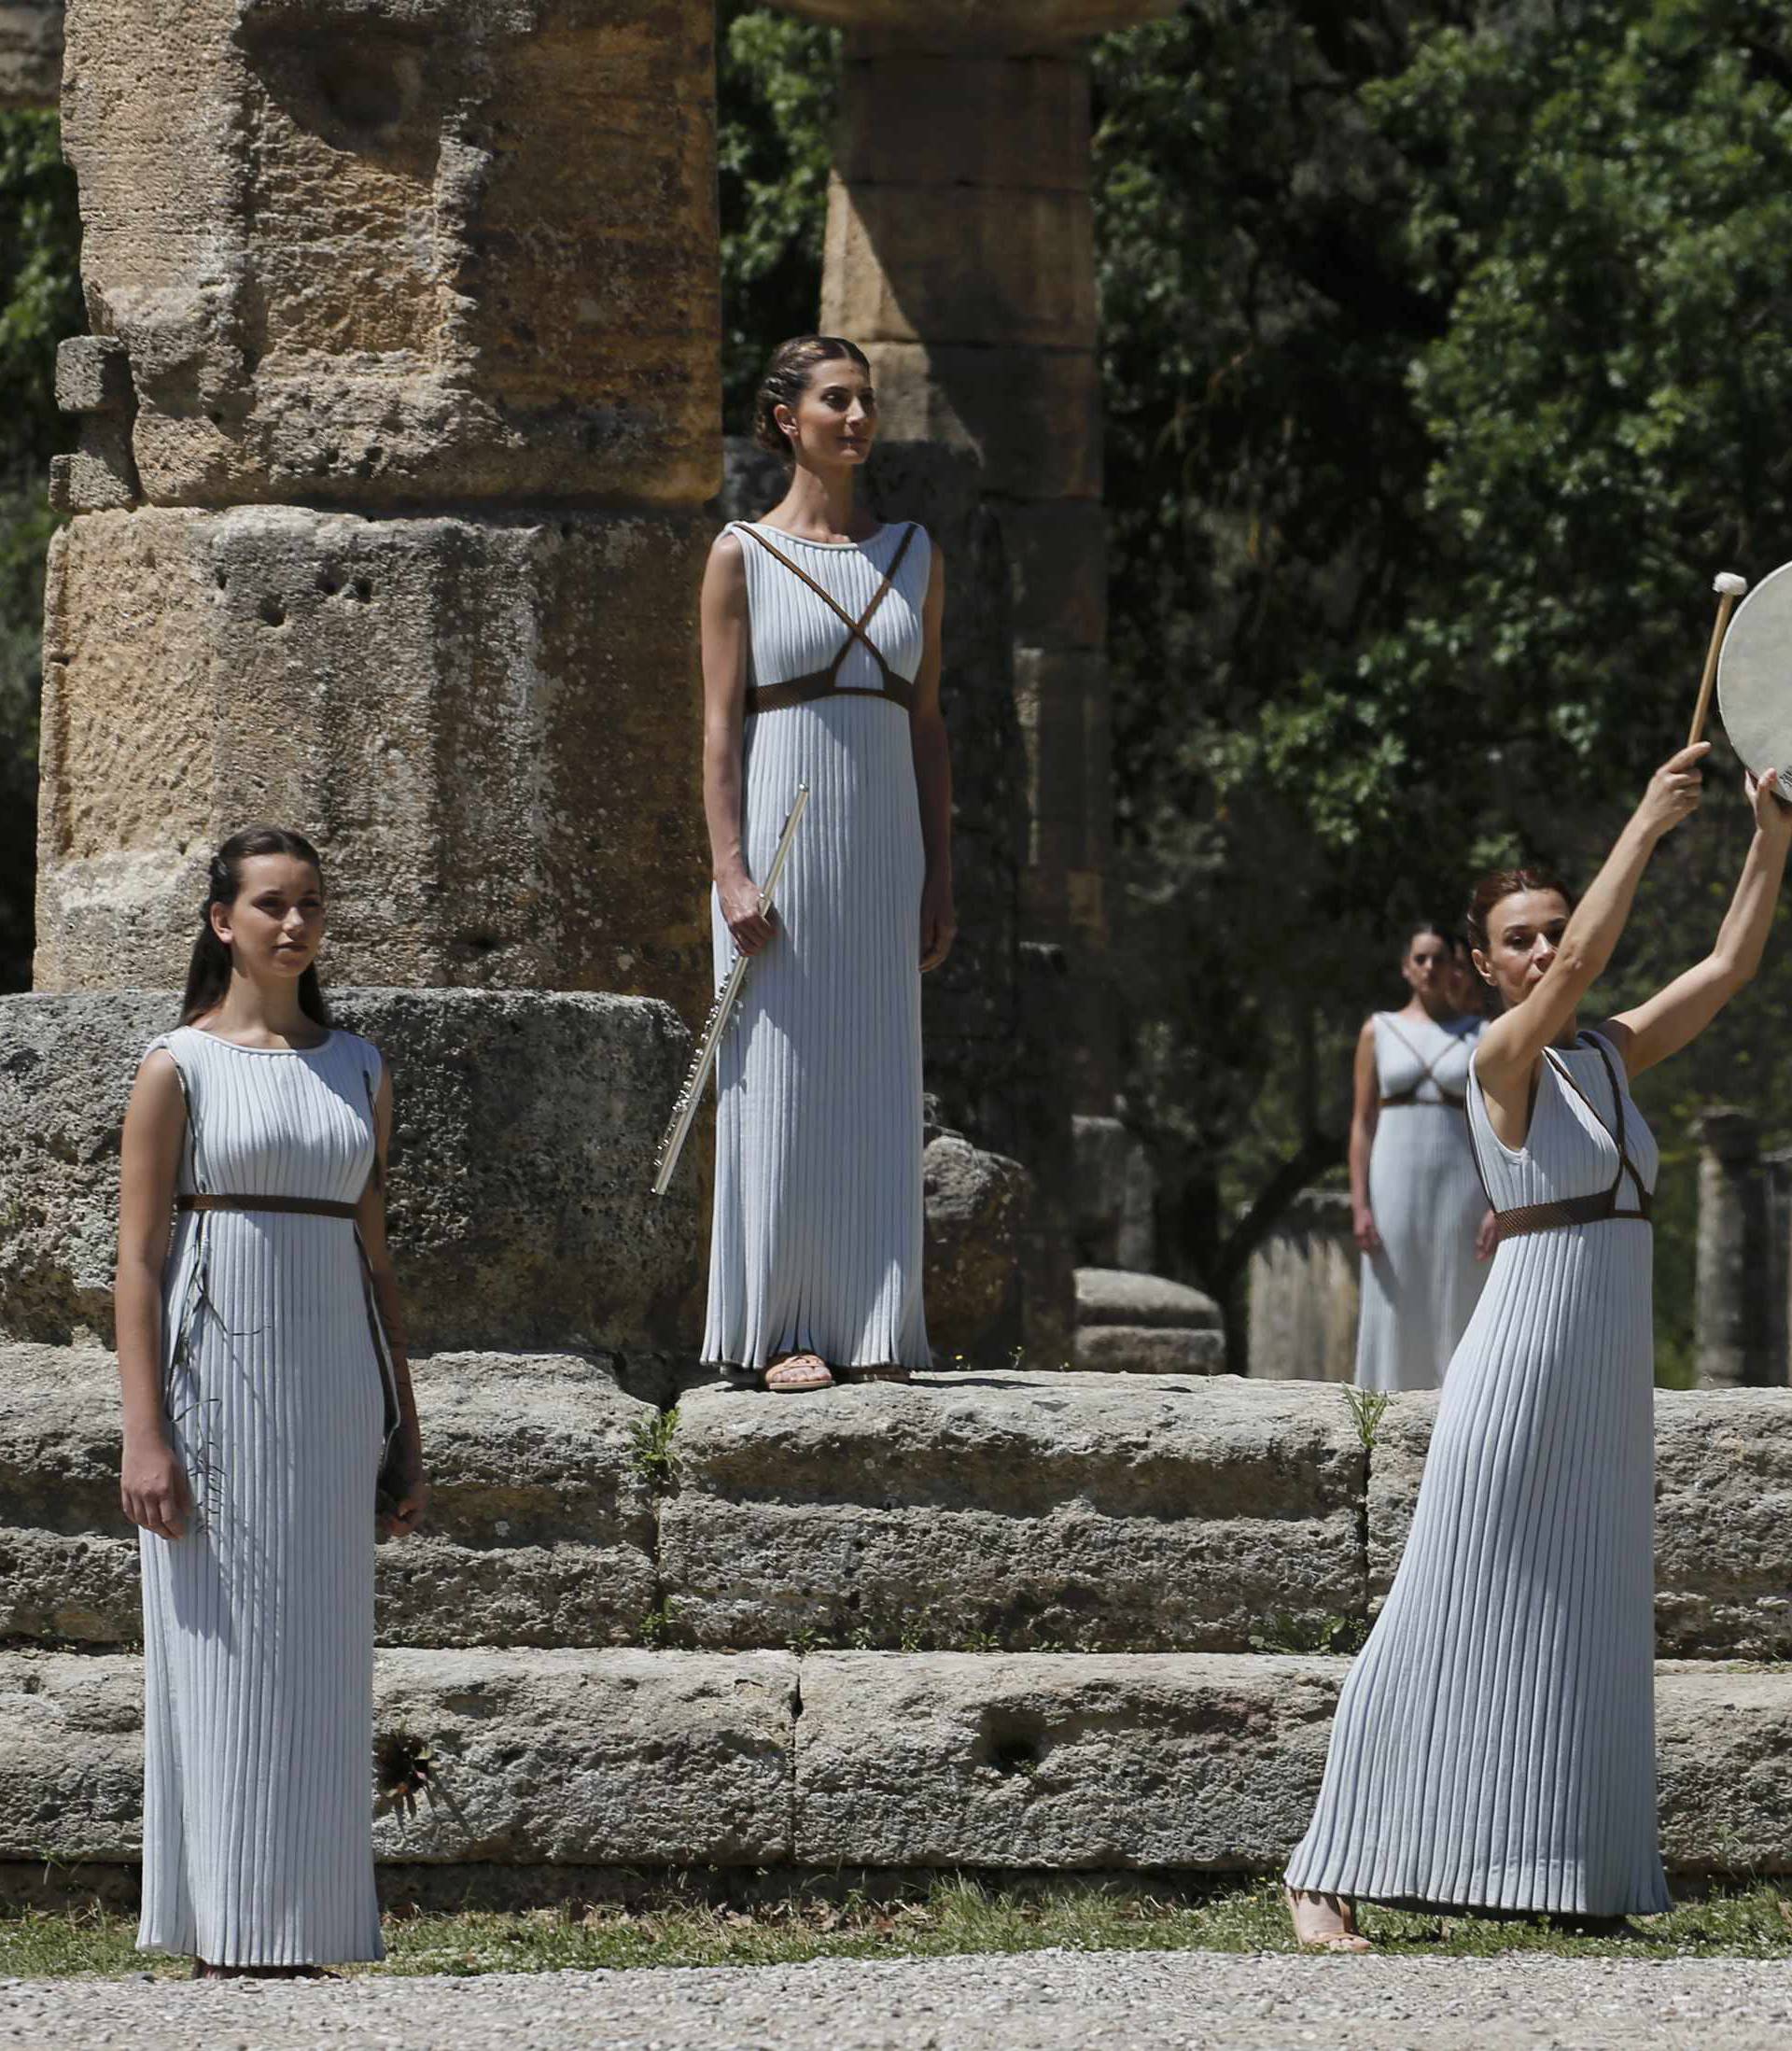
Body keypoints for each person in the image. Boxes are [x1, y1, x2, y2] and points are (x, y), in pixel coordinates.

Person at [1285, 743, 1790, 1949]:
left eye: (1547, 929)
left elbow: (1723, 968)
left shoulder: (1607, 1055)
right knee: (1437, 1601)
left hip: (1605, 1379)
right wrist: (1649, 823)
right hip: (1518, 1364)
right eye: (1516, 938)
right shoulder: (1494, 1065)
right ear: (1481, 963)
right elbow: (1580, 967)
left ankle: (1569, 1863)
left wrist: (1772, 838)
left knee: (1588, 1611)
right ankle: (1325, 1864)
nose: (1540, 950)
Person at [115, 826, 427, 1976]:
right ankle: (223, 1924)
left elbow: (377, 1260)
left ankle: (311, 1924)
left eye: (309, 906)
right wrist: (145, 1433)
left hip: (334, 1386)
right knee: (222, 1643)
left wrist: (407, 1423)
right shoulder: (176, 1067)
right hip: (214, 1391)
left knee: (324, 1650)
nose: (292, 925)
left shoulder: (360, 1067)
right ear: (222, 922)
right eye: (268, 906)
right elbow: (139, 1263)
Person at [697, 335, 954, 1392]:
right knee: (786, 1079)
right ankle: (784, 1327)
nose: (857, 419)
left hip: (883, 842)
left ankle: (880, 1319)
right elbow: (718, 732)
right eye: (835, 401)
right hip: (780, 846)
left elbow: (929, 725)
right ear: (786, 419)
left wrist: (943, 871)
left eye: (867, 402)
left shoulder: (916, 553)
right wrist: (730, 870)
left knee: (877, 1071)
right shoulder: (740, 556)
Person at [1350, 924, 1491, 1392]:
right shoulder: (1379, 1030)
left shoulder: (1481, 1033)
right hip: (1393, 1175)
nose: (1430, 968)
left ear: (1455, 967)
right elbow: (1363, 1120)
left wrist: (1499, 1201)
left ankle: (1462, 1403)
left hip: (1462, 1178)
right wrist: (1359, 1203)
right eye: (1420, 959)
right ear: (1407, 968)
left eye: (1438, 959)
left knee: (1459, 1286)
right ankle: (1384, 1398)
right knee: (1396, 1288)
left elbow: (1497, 1123)